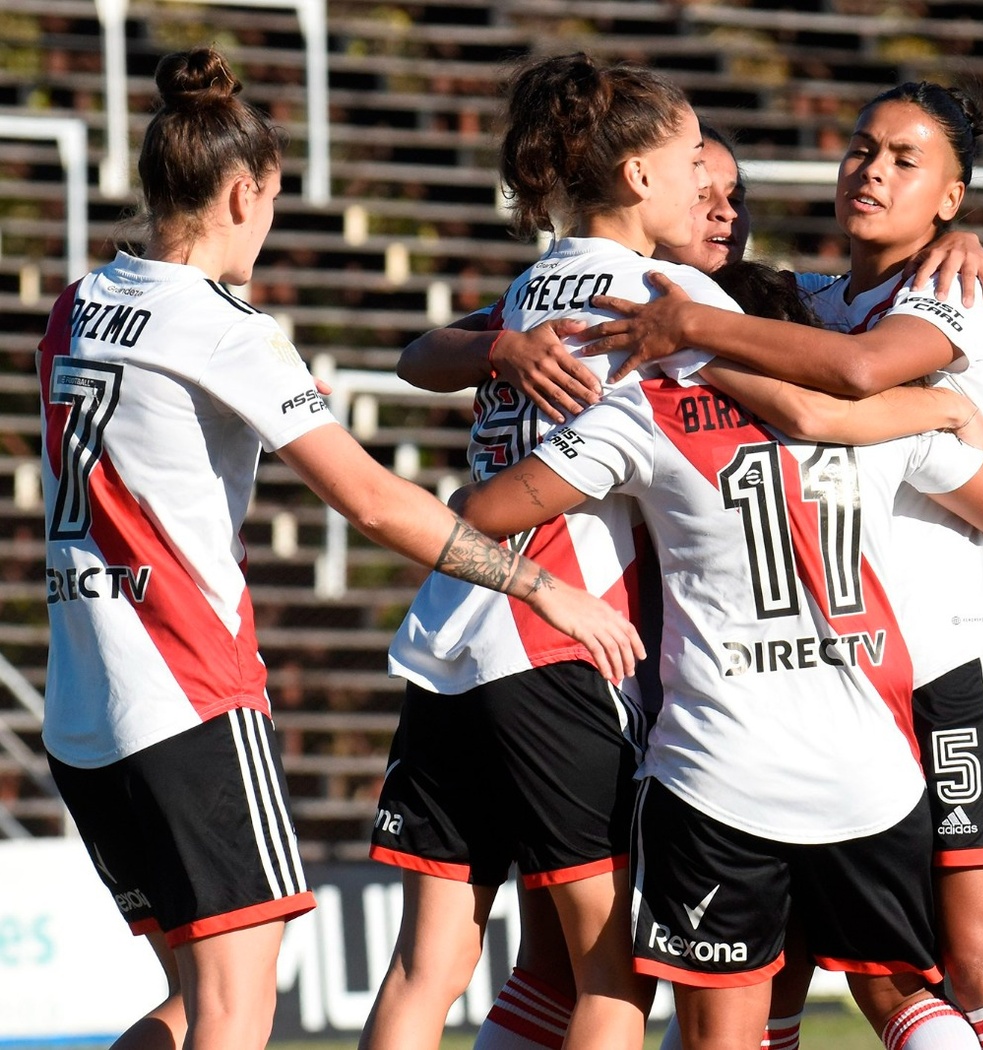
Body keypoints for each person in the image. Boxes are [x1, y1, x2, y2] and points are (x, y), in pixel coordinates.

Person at [37, 47, 642, 1050]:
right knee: (239, 1004)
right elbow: (368, 499)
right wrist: (537, 582)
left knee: (194, 1001)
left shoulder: (80, 303)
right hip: (183, 693)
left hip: (82, 703)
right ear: (242, 193)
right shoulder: (223, 325)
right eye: (271, 204)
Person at [395, 118, 983, 1050]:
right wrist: (939, 405)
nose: (721, 206)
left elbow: (434, 394)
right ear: (644, 183)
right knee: (885, 993)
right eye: (699, 182)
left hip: (568, 676)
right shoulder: (695, 326)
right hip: (798, 704)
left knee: (518, 971)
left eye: (736, 194)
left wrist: (498, 353)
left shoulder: (617, 318)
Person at [578, 81, 983, 1050]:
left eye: (904, 160)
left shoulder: (951, 296)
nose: (872, 171)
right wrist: (514, 331)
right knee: (787, 964)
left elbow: (849, 378)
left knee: (969, 963)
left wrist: (693, 332)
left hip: (948, 659)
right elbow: (749, 301)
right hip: (835, 680)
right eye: (861, 149)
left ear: (952, 199)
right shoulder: (818, 302)